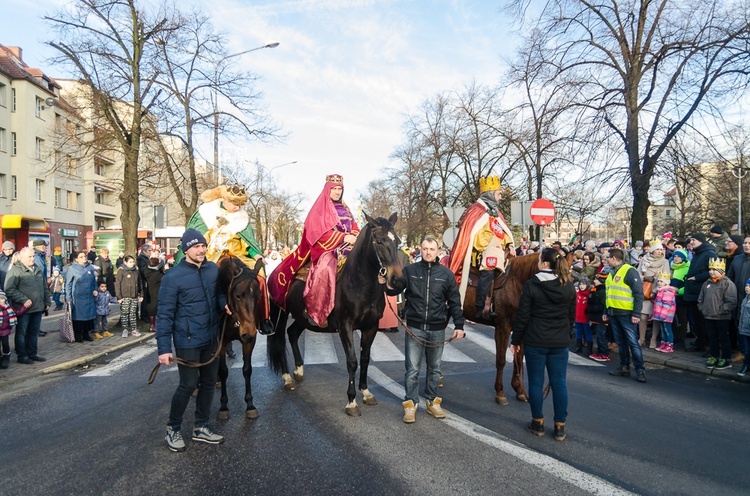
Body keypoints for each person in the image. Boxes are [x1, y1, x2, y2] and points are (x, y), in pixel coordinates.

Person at [156, 229, 228, 452]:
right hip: (187, 340)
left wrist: (224, 303)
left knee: (208, 383)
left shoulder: (212, 269)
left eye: (203, 246)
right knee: (187, 385)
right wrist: (164, 349)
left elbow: (218, 295)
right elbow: (164, 314)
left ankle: (201, 427)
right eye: (197, 246)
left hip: (210, 338)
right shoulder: (172, 277)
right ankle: (173, 428)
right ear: (186, 249)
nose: (202, 250)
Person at [179, 184, 274, 335]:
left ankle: (264, 319)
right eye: (235, 204)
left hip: (237, 255)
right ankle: (202, 317)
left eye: (240, 205)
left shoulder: (242, 219)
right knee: (202, 279)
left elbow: (248, 243)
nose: (238, 208)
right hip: (211, 254)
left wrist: (257, 255)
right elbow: (195, 239)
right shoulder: (206, 213)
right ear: (225, 199)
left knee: (260, 277)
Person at [269, 174, 360, 329]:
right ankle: (315, 311)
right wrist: (344, 237)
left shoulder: (346, 208)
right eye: (334, 189)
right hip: (327, 250)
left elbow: (354, 227)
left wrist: (356, 235)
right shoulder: (320, 209)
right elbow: (317, 234)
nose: (337, 192)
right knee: (325, 269)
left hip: (350, 248)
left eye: (340, 189)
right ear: (327, 190)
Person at [510, 247, 576, 441]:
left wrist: (515, 340)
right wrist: (565, 333)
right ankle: (560, 426)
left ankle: (537, 422)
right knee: (559, 383)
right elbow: (571, 317)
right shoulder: (568, 285)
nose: (538, 263)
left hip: (535, 340)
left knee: (536, 383)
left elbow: (523, 316)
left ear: (545, 264)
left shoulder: (532, 285)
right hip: (559, 341)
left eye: (539, 260)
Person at [397, 237, 465, 424]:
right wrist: (383, 282)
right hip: (415, 328)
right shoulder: (410, 271)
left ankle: (432, 402)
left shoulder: (446, 274)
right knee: (412, 370)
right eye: (425, 249)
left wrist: (459, 325)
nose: (428, 252)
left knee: (434, 369)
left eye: (432, 249)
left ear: (437, 251)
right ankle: (410, 404)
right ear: (421, 250)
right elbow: (394, 289)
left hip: (437, 329)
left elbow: (454, 302)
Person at [447, 175, 515, 321]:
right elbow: (474, 235)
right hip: (482, 252)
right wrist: (490, 239)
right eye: (498, 194)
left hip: (500, 251)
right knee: (488, 272)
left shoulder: (496, 212)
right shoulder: (476, 210)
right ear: (490, 194)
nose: (500, 197)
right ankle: (480, 307)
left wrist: (509, 244)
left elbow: (504, 230)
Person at [604, 248, 647, 383]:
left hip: (627, 313)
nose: (606, 260)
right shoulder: (611, 272)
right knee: (621, 342)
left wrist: (636, 313)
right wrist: (606, 311)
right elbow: (609, 293)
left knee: (633, 342)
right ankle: (624, 367)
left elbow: (638, 294)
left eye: (608, 258)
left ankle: (640, 369)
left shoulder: (629, 271)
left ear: (614, 259)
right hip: (614, 312)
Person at [4, 247, 51, 363]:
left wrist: (47, 302)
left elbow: (44, 287)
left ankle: (33, 353)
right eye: (29, 257)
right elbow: (9, 289)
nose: (32, 258)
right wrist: (23, 299)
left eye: (33, 256)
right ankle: (22, 355)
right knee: (21, 333)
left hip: (37, 307)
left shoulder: (37, 269)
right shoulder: (15, 270)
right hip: (23, 308)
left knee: (34, 332)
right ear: (22, 258)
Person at [698, 258, 736, 370]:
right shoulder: (707, 283)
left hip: (721, 317)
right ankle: (714, 355)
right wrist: (702, 308)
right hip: (708, 315)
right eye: (710, 269)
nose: (711, 272)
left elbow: (731, 301)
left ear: (721, 271)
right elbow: (701, 298)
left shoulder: (727, 284)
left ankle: (726, 358)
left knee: (723, 337)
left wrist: (721, 310)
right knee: (712, 337)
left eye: (714, 269)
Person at [683, 233, 716, 352]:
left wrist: (696, 278)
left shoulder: (709, 254)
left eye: (694, 240)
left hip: (700, 292)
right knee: (696, 320)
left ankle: (706, 344)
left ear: (701, 241)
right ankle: (700, 342)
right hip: (692, 291)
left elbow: (713, 272)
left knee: (702, 320)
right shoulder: (698, 253)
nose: (691, 242)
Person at [637, 239, 671, 348]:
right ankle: (641, 338)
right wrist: (644, 277)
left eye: (661, 250)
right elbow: (637, 274)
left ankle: (653, 338)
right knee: (643, 316)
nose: (660, 252)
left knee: (656, 317)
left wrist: (656, 290)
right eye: (657, 250)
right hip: (645, 291)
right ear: (652, 251)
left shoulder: (664, 262)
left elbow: (667, 277)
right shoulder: (644, 260)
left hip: (658, 292)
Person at [65, 251, 99, 342]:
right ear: (76, 259)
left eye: (85, 256)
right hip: (78, 297)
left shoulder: (90, 267)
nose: (84, 258)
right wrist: (68, 298)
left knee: (89, 317)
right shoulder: (72, 269)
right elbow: (68, 284)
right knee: (78, 317)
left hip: (89, 296)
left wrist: (95, 289)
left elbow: (94, 281)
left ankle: (86, 333)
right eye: (81, 257)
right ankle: (78, 335)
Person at [116, 255, 143, 338]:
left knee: (133, 313)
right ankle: (125, 329)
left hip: (134, 295)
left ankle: (134, 329)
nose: (132, 264)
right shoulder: (121, 271)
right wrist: (119, 297)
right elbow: (118, 284)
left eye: (133, 262)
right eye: (130, 262)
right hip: (125, 295)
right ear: (125, 262)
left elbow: (140, 283)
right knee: (124, 313)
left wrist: (141, 294)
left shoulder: (136, 271)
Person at [0, 289, 28, 369]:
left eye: (2, 298)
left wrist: (24, 308)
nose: (1, 300)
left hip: (5, 331)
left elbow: (16, 312)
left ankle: (6, 357)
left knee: (5, 344)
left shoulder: (8, 308)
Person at [587, 271, 610, 362]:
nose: (594, 281)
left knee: (601, 335)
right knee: (598, 335)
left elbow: (602, 305)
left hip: (601, 317)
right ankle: (599, 352)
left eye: (596, 279)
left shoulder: (603, 291)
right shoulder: (596, 290)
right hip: (596, 317)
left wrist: (590, 309)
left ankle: (604, 353)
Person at [652, 272, 677, 353]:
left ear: (666, 282)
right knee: (663, 330)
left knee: (667, 330)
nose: (659, 283)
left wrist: (662, 315)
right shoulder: (661, 291)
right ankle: (664, 343)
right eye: (658, 281)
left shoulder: (667, 292)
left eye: (661, 281)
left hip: (666, 316)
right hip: (661, 315)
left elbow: (667, 305)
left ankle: (669, 345)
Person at [143, 254, 164, 333]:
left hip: (149, 292)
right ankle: (154, 325)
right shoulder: (157, 274)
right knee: (156, 309)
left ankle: (152, 325)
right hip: (156, 292)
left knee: (151, 310)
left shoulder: (146, 271)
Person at [574, 276, 592, 355]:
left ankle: (589, 349)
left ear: (587, 285)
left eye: (584, 284)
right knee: (578, 332)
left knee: (587, 332)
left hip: (586, 317)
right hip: (578, 316)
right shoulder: (577, 294)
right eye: (580, 284)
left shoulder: (589, 295)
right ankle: (579, 347)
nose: (581, 286)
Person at [736, 278, 750, 377]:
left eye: (749, 286)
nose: (747, 288)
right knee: (746, 349)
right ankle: (746, 365)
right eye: (746, 286)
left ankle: (746, 365)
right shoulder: (746, 298)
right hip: (744, 329)